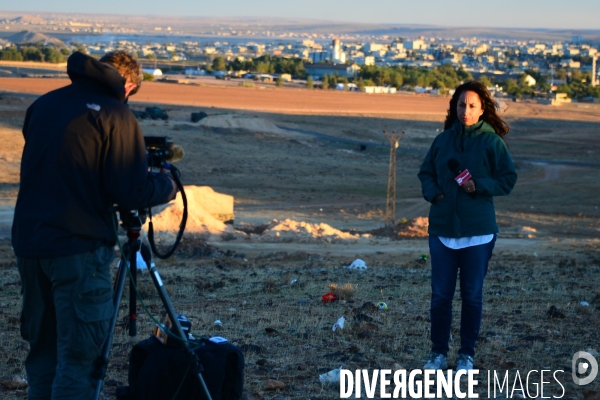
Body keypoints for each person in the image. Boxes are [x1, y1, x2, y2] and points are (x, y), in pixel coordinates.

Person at [12, 51, 177, 399]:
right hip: (79, 248)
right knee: (79, 360)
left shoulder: (44, 105)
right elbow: (130, 191)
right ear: (128, 84)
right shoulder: (116, 115)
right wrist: (166, 183)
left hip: (29, 244)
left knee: (43, 357)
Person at [418, 80, 517, 372]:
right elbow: (425, 172)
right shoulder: (442, 140)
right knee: (440, 296)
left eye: (472, 106)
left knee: (472, 295)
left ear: (482, 109)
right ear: (454, 107)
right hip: (442, 230)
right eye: (461, 105)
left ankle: (466, 356)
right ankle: (438, 354)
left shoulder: (491, 142)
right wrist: (434, 192)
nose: (466, 111)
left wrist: (480, 185)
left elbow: (507, 179)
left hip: (479, 231)